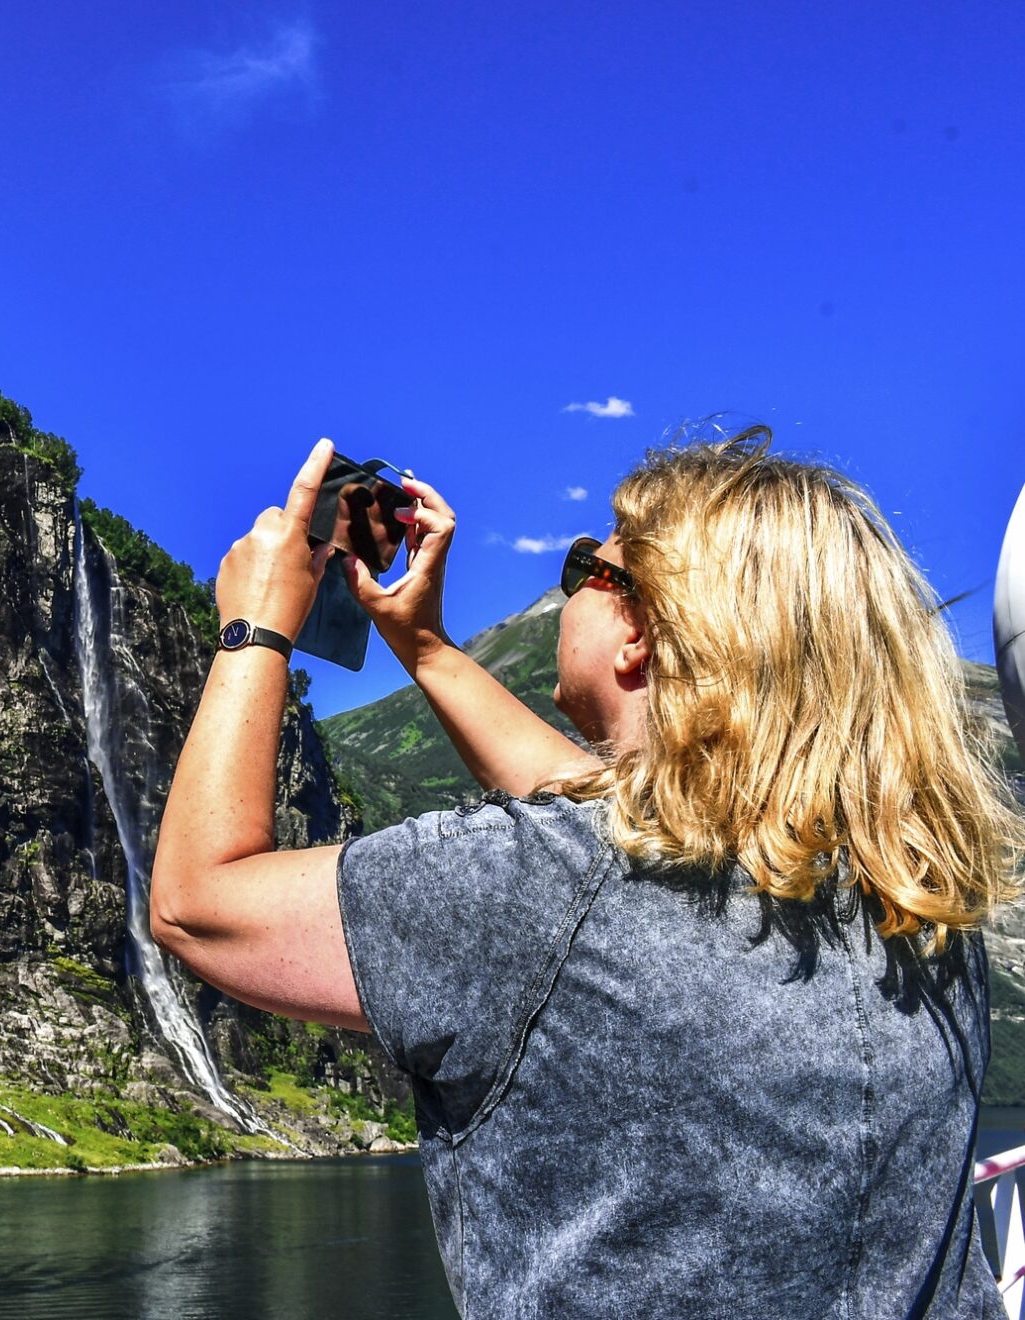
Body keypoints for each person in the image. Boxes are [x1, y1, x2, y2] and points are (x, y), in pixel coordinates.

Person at [152, 430, 1025, 1317]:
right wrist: (424, 647)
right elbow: (615, 816)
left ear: (639, 633)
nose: (564, 586)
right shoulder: (918, 896)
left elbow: (197, 906)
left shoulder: (533, 893)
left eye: (582, 569)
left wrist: (255, 626)